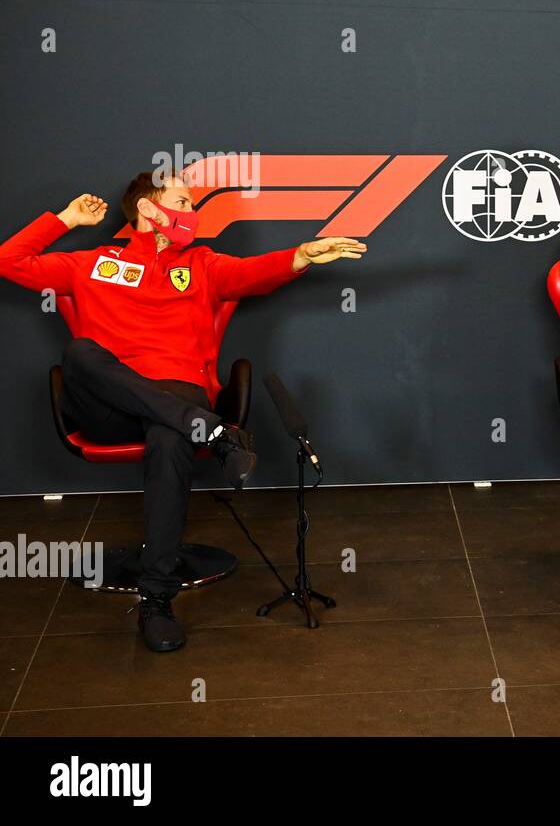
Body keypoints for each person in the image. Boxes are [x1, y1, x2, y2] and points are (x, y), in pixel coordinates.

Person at [0, 171, 366, 650]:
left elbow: (251, 275)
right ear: (149, 211)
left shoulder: (202, 263)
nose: (193, 214)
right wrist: (65, 220)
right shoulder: (91, 263)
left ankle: (156, 602)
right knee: (80, 353)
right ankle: (212, 433)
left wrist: (300, 256)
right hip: (107, 406)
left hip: (179, 398)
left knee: (170, 433)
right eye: (183, 202)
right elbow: (8, 261)